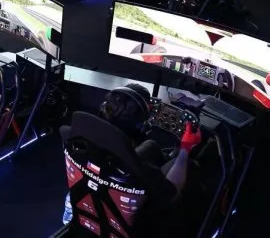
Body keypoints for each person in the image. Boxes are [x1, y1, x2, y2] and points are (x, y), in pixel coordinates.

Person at [63, 84, 201, 230]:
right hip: (127, 223)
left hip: (85, 206)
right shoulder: (142, 169)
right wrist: (185, 149)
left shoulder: (76, 137)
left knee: (151, 146)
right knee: (190, 165)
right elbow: (171, 193)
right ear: (140, 125)